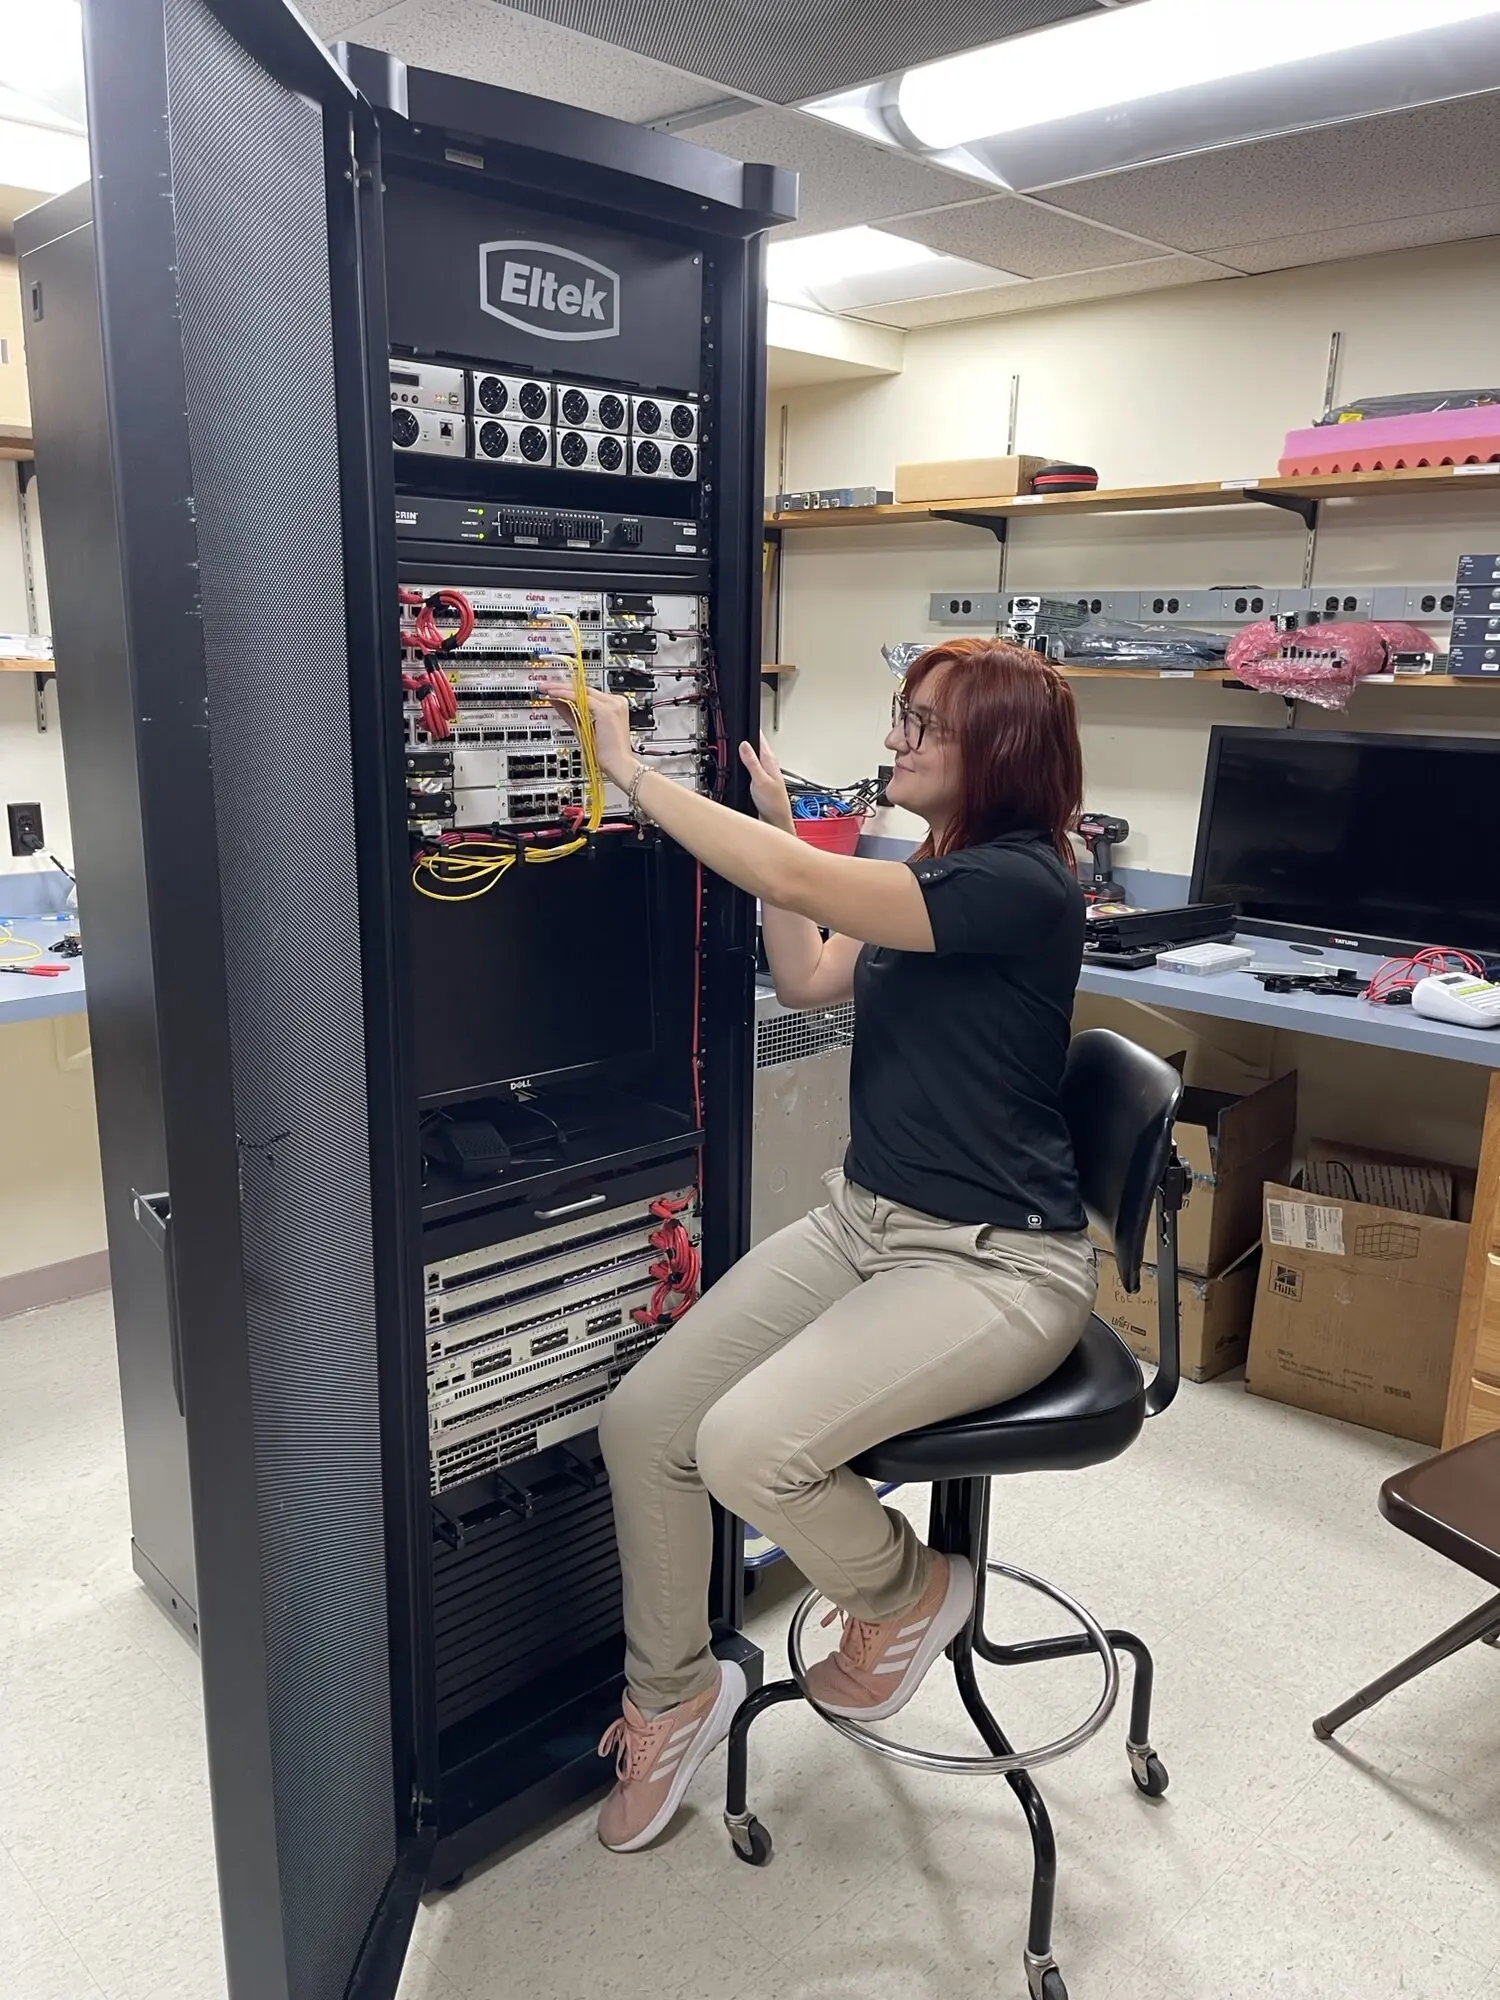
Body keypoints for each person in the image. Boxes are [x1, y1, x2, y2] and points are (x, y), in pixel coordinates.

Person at [543, 638, 1098, 1854]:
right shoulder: (933, 866)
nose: (895, 735)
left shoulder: (1025, 884)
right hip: (871, 1218)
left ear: (996, 753)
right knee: (648, 1422)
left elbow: (804, 890)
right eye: (901, 712)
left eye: (924, 722)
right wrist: (784, 833)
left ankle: (912, 1590)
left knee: (749, 1448)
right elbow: (807, 974)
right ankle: (675, 1689)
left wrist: (634, 774)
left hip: (997, 1259)